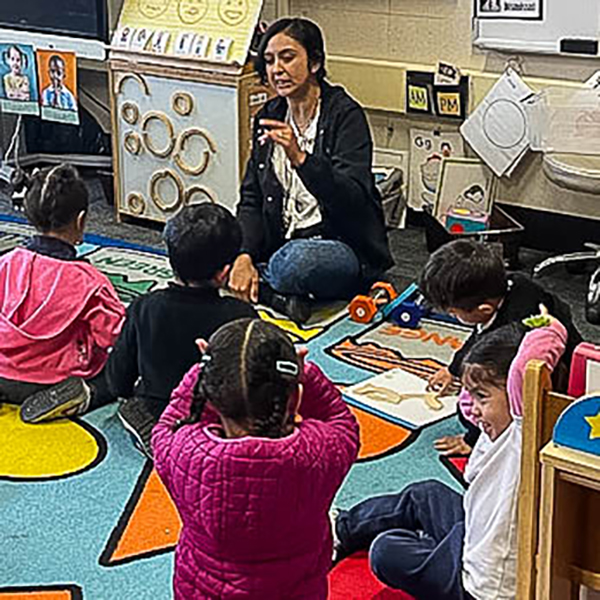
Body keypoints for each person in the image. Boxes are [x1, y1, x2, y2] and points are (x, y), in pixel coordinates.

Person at [333, 316, 567, 600]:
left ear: (520, 395)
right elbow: (470, 406)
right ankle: (341, 529)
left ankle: (430, 547)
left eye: (482, 397)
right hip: (471, 535)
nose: (474, 409)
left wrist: (547, 326)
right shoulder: (495, 426)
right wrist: (473, 389)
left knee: (385, 550)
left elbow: (523, 369)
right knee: (426, 493)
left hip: (478, 587)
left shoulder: (522, 433)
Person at [152, 318, 360, 599]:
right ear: (293, 399)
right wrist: (305, 373)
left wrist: (203, 372)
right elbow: (341, 421)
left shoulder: (181, 451)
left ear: (211, 396)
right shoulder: (321, 452)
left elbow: (170, 422)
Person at [230, 17, 392, 324]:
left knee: (297, 263)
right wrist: (243, 254)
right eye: (269, 61)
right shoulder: (270, 114)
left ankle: (262, 285)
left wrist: (301, 158)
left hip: (336, 246)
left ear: (314, 62)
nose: (277, 69)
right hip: (280, 241)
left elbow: (353, 199)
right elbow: (251, 197)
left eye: (288, 57)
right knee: (199, 234)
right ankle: (276, 292)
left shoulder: (345, 115)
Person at [106, 203, 258, 457]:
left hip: (158, 407)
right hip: (221, 415)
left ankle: (158, 428)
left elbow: (118, 381)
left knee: (134, 401)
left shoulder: (144, 307)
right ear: (224, 273)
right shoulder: (241, 316)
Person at [419, 239, 581, 455]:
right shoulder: (510, 284)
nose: (453, 317)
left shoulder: (510, 334)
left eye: (454, 313)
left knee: (469, 406)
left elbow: (498, 396)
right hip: (564, 361)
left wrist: (472, 439)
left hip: (558, 388)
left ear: (484, 308)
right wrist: (452, 370)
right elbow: (479, 335)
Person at [0, 164, 125, 422]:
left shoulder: (7, 262)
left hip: (3, 371)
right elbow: (115, 337)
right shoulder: (90, 282)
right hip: (53, 378)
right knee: (119, 371)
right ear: (81, 221)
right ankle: (88, 394)